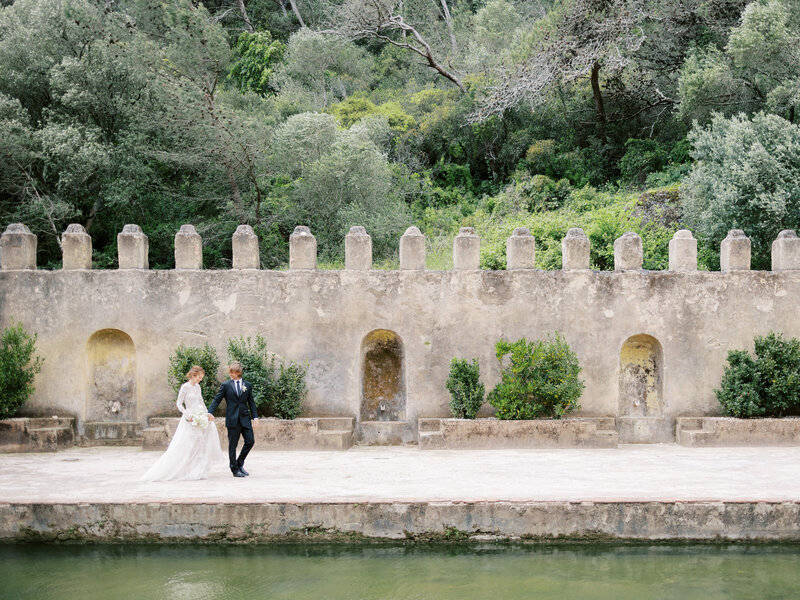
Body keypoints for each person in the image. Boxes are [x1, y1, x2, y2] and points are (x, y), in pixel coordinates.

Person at [141, 365, 225, 482]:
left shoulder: (198, 387)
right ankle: (186, 469)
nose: (200, 379)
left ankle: (197, 470)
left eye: (201, 377)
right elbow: (179, 404)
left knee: (200, 443)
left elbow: (201, 402)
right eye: (199, 377)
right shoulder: (185, 387)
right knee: (193, 442)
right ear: (193, 375)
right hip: (189, 418)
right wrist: (187, 415)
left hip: (199, 416)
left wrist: (207, 414)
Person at [207, 361, 259, 478]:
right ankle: (234, 469)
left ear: (238, 372)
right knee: (233, 445)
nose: (230, 374)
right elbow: (217, 399)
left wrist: (255, 417)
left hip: (245, 418)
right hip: (232, 419)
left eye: (233, 372)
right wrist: (209, 412)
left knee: (250, 441)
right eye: (230, 372)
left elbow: (251, 402)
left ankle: (240, 463)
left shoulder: (247, 385)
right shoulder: (226, 385)